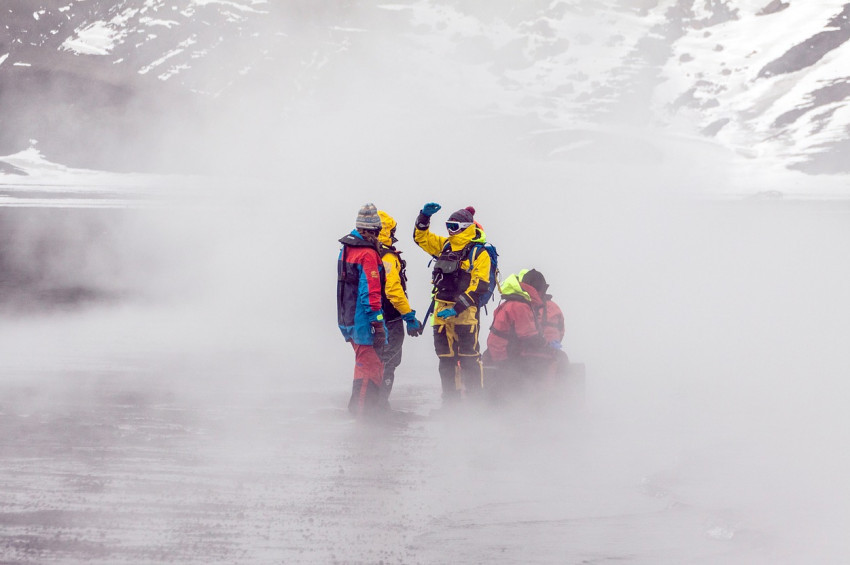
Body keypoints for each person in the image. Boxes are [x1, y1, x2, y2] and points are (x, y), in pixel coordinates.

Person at [413, 203, 491, 403]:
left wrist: (457, 309)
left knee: (469, 359)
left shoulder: (478, 253)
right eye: (448, 225)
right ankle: (451, 404)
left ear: (466, 227)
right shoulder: (445, 246)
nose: (449, 230)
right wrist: (424, 218)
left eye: (454, 226)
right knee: (445, 360)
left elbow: (479, 286)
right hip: (441, 314)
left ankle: (475, 404)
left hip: (465, 315)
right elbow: (421, 238)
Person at [337, 203, 388, 418]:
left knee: (366, 365)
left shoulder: (346, 248)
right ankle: (363, 417)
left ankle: (368, 411)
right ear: (373, 230)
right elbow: (370, 293)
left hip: (347, 318)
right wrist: (377, 323)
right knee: (370, 367)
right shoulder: (367, 254)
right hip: (363, 322)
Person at [484, 268, 567, 396]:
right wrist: (548, 345)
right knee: (554, 358)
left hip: (501, 353)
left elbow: (525, 336)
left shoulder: (513, 303)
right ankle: (549, 398)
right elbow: (530, 336)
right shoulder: (521, 306)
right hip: (507, 356)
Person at [376, 210, 423, 408]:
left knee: (377, 359)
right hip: (390, 318)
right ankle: (379, 404)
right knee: (389, 361)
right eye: (392, 229)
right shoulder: (387, 257)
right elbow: (394, 290)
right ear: (387, 230)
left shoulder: (371, 254)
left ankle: (370, 402)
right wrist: (408, 316)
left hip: (373, 317)